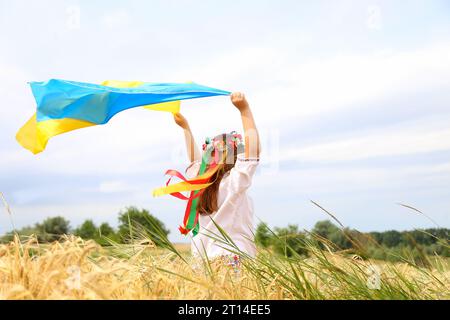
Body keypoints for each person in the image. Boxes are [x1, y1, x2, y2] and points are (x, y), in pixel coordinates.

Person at [173, 92, 260, 260]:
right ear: (235, 159)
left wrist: (186, 128)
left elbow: (194, 161)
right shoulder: (234, 182)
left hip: (202, 258)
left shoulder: (201, 185)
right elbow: (253, 152)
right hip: (231, 255)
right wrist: (244, 109)